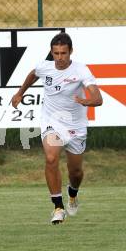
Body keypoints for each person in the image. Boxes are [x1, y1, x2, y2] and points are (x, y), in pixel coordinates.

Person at [11, 32, 103, 224]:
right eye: (56, 53)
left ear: (71, 52)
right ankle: (58, 207)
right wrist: (20, 93)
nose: (60, 58)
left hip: (76, 127)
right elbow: (33, 74)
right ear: (51, 53)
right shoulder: (45, 67)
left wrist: (86, 101)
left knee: (76, 172)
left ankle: (73, 194)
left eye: (63, 53)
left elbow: (98, 98)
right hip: (52, 122)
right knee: (51, 157)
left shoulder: (81, 70)